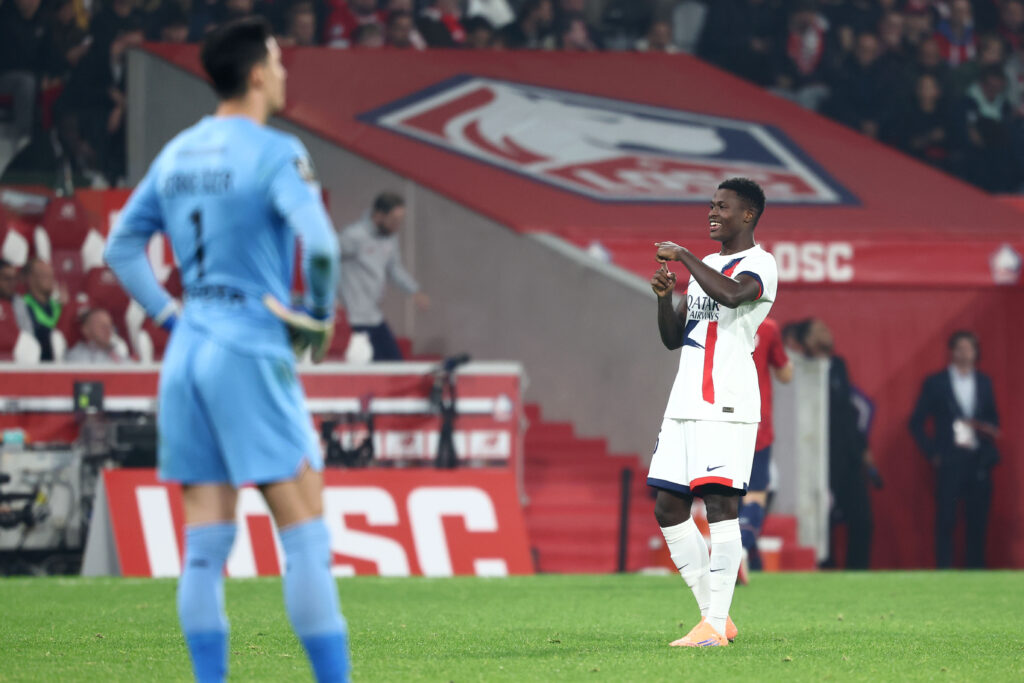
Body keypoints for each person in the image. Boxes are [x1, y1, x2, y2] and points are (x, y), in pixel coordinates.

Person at [103, 18, 349, 682]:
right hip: (249, 346)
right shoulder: (275, 152)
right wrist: (317, 316)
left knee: (205, 549)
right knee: (306, 535)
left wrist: (169, 315)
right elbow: (323, 247)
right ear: (259, 74)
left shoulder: (178, 152)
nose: (286, 72)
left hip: (187, 353)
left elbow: (121, 247)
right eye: (279, 61)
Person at [648, 177, 778, 648]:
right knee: (668, 507)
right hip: (684, 402)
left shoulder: (760, 263)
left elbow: (734, 296)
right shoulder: (708, 265)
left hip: (725, 401)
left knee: (721, 507)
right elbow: (673, 337)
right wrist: (665, 298)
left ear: (748, 215)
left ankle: (715, 626)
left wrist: (684, 257)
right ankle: (714, 617)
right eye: (711, 204)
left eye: (723, 206)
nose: (713, 212)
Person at [909, 331, 1000, 569]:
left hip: (978, 459)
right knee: (946, 520)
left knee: (977, 521)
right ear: (951, 351)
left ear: (976, 352)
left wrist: (986, 429)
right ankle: (944, 571)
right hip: (949, 460)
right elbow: (916, 422)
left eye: (970, 348)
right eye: (960, 348)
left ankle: (976, 571)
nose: (965, 353)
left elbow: (993, 419)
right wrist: (932, 453)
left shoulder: (984, 382)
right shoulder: (936, 382)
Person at [800, 317, 875, 569]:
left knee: (862, 518)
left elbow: (847, 410)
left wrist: (863, 447)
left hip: (849, 454)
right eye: (820, 329)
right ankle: (825, 568)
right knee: (824, 519)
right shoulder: (801, 369)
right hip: (818, 456)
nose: (827, 332)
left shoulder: (838, 365)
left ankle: (858, 571)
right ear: (808, 339)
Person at [337, 192, 429, 361]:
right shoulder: (353, 236)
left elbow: (394, 268)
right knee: (366, 368)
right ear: (379, 215)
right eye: (394, 220)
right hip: (353, 318)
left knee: (395, 364)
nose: (397, 225)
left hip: (373, 315)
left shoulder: (390, 237)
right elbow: (326, 262)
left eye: (400, 221)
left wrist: (414, 290)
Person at [739, 317, 792, 575]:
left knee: (725, 494)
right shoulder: (766, 327)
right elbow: (785, 373)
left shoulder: (714, 319)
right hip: (755, 419)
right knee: (755, 495)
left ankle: (742, 555)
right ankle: (740, 550)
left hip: (718, 420)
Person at [14, 258, 63, 362]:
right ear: (30, 278)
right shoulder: (22, 305)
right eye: (44, 275)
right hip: (34, 362)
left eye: (51, 275)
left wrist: (66, 308)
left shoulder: (58, 305)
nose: (51, 279)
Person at [65, 308, 129, 363]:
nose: (108, 330)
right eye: (101, 326)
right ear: (86, 330)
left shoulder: (118, 351)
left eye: (109, 325)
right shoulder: (77, 356)